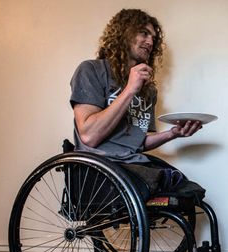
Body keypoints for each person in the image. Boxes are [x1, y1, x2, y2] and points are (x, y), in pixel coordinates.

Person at [69, 8, 202, 193]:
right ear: (124, 32)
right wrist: (130, 89)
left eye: (153, 38)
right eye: (144, 33)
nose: (150, 41)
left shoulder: (148, 90)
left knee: (189, 191)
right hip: (100, 168)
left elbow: (138, 141)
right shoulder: (91, 70)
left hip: (133, 166)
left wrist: (174, 133)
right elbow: (89, 136)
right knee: (162, 181)